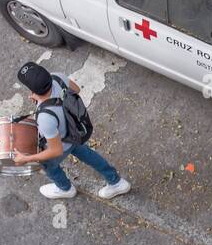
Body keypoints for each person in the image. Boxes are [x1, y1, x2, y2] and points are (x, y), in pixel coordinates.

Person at [13, 62, 130, 200]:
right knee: (89, 155)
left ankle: (65, 189)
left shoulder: (45, 118)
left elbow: (56, 151)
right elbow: (76, 89)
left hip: (62, 143)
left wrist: (26, 158)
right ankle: (116, 182)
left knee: (48, 165)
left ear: (33, 91)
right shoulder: (57, 77)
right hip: (75, 131)